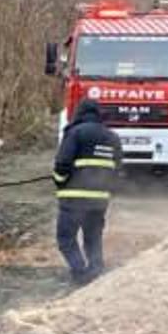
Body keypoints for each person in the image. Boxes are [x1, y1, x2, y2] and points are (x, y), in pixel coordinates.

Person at [52, 98, 122, 285]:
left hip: (73, 199)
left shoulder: (75, 132)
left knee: (66, 239)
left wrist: (59, 183)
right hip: (99, 201)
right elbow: (117, 170)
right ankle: (96, 272)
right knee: (93, 238)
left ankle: (80, 273)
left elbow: (62, 164)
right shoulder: (112, 137)